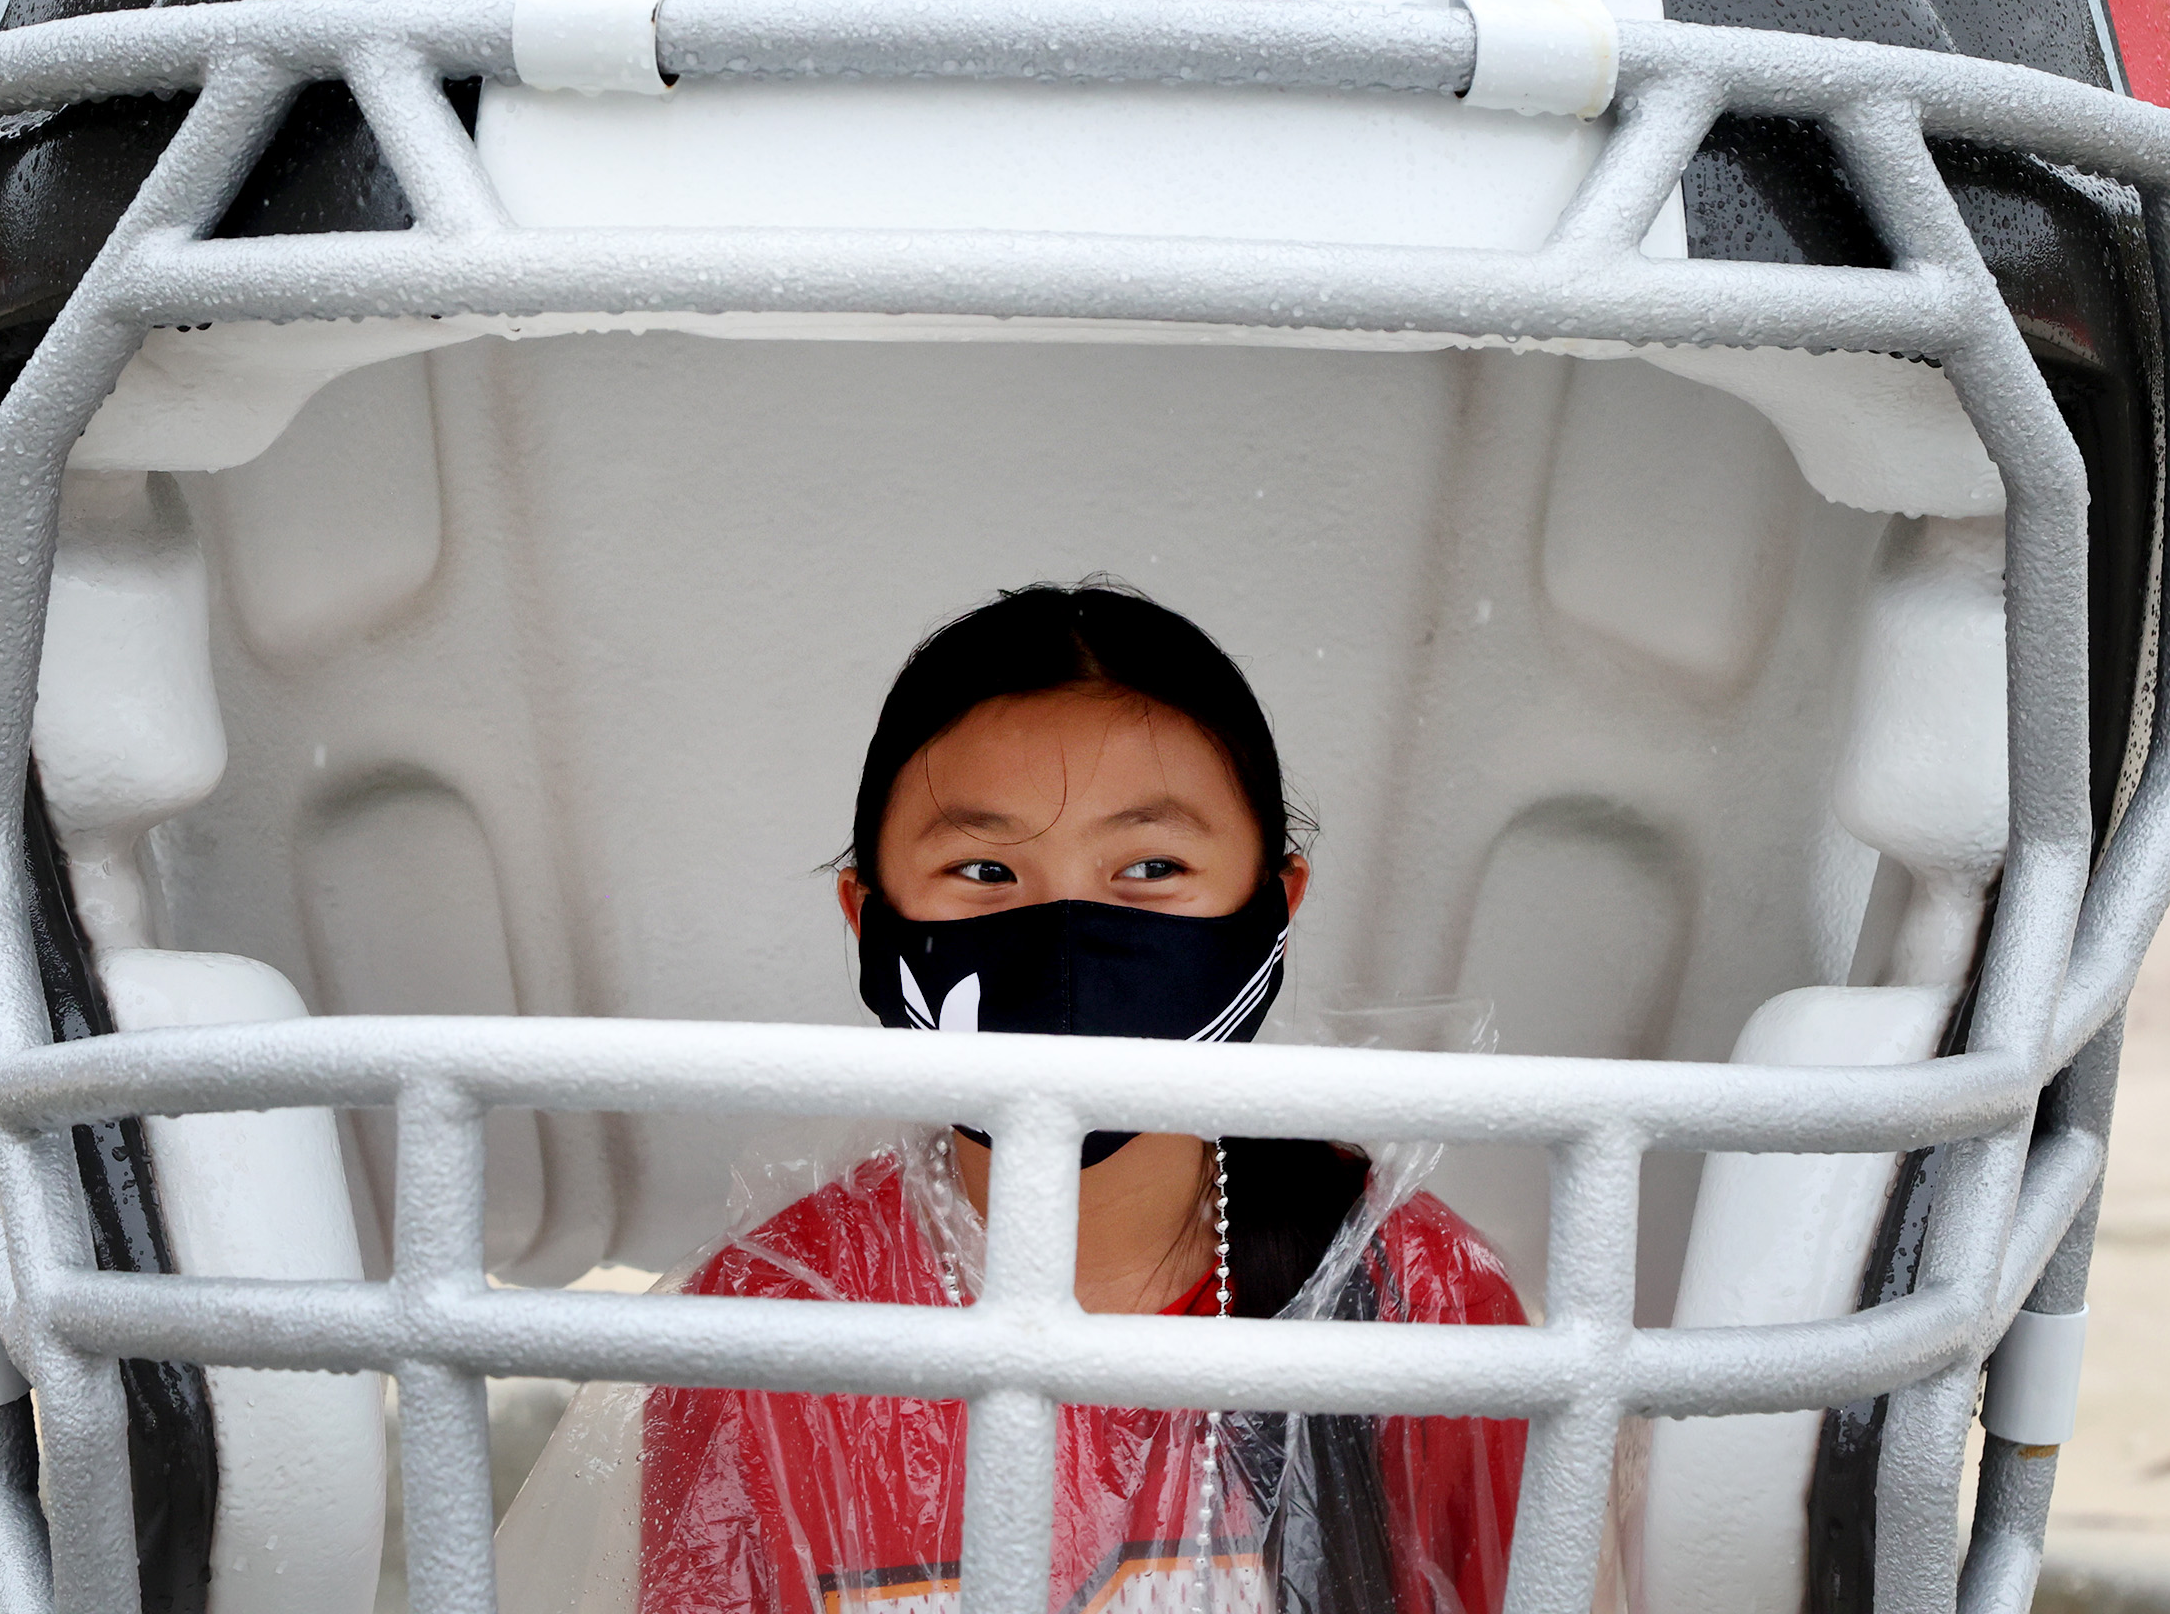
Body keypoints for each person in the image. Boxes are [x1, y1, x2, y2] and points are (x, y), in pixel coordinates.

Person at [503, 583, 1526, 1614]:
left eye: (1152, 865)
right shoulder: (766, 1323)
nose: (1065, 934)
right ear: (870, 915)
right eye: (985, 867)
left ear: (1275, 905)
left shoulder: (1421, 1299)